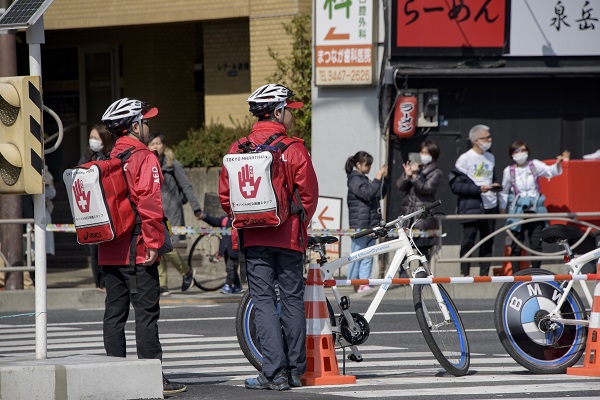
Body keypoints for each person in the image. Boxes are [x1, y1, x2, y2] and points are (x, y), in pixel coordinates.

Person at [219, 83, 318, 390]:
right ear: (277, 111)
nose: (292, 116)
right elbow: (310, 195)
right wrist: (298, 223)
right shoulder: (294, 149)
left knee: (262, 301)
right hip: (288, 238)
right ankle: (293, 372)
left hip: (254, 237)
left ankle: (272, 372)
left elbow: (226, 196)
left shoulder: (238, 149)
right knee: (291, 301)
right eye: (290, 110)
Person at [99, 97, 186, 395]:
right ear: (134, 125)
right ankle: (152, 378)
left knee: (114, 314)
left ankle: (115, 376)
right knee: (146, 314)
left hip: (110, 249)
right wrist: (152, 243)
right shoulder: (143, 157)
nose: (148, 126)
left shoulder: (107, 160)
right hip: (138, 248)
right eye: (145, 121)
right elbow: (150, 203)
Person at [147, 132, 203, 296]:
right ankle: (163, 283)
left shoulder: (173, 164)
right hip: (155, 212)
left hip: (171, 212)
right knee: (158, 247)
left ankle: (186, 272)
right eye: (152, 144)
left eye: (158, 143)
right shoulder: (148, 164)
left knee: (167, 246)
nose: (155, 146)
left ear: (164, 145)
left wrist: (196, 208)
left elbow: (186, 186)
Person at [499, 140, 564, 273]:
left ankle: (536, 271)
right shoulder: (509, 171)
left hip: (535, 209)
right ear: (512, 154)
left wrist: (558, 164)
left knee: (536, 243)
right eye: (517, 151)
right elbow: (504, 192)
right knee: (516, 243)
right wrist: (502, 211)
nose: (521, 154)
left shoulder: (534, 165)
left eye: (523, 150)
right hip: (518, 211)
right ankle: (516, 274)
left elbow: (550, 171)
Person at [449, 124, 501, 277]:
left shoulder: (490, 157)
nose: (490, 140)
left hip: (491, 205)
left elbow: (492, 177)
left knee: (488, 242)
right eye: (486, 138)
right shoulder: (464, 159)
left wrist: (495, 186)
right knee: (468, 242)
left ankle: (484, 275)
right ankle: (465, 274)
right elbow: (455, 185)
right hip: (472, 205)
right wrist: (478, 189)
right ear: (476, 140)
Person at [78, 124, 114, 290]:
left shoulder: (111, 157)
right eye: (91, 137)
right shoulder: (87, 157)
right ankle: (99, 282)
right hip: (90, 208)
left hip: (108, 208)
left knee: (107, 246)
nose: (92, 141)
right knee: (94, 249)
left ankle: (109, 280)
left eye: (96, 138)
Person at [345, 151, 387, 293]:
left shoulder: (364, 179)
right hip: (360, 224)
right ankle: (355, 282)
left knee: (368, 255)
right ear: (358, 165)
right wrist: (378, 177)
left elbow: (378, 193)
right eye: (367, 164)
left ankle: (364, 282)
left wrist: (383, 179)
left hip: (369, 223)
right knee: (357, 254)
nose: (369, 167)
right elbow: (368, 194)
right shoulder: (354, 179)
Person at [396, 140, 443, 260]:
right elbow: (400, 186)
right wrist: (407, 175)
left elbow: (425, 188)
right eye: (421, 152)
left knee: (422, 252)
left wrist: (416, 176)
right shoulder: (415, 168)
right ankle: (403, 277)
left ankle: (423, 277)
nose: (422, 155)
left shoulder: (436, 172)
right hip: (408, 215)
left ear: (433, 155)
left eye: (426, 153)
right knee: (404, 251)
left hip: (423, 216)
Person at [201, 213, 241, 294]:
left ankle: (228, 285)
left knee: (230, 268)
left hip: (235, 249)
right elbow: (214, 221)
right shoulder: (224, 220)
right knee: (232, 269)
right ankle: (237, 285)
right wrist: (205, 216)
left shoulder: (239, 220)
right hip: (225, 249)